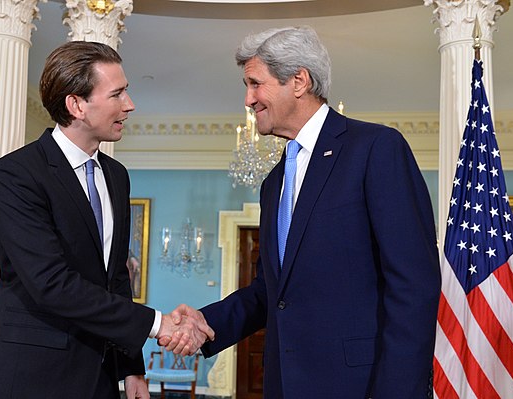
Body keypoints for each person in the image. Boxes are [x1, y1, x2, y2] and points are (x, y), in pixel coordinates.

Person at [165, 26, 441, 398]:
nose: (248, 99)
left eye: (255, 84)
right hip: (283, 385)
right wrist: (206, 322)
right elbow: (271, 291)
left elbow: (413, 284)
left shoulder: (375, 149)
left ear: (298, 81)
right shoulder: (275, 181)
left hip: (361, 387)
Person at [0, 41, 213, 399]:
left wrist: (132, 368)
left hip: (100, 378)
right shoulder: (16, 175)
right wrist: (158, 323)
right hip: (32, 377)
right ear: (76, 105)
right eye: (117, 94)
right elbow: (51, 283)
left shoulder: (116, 175)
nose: (129, 105)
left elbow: (116, 279)